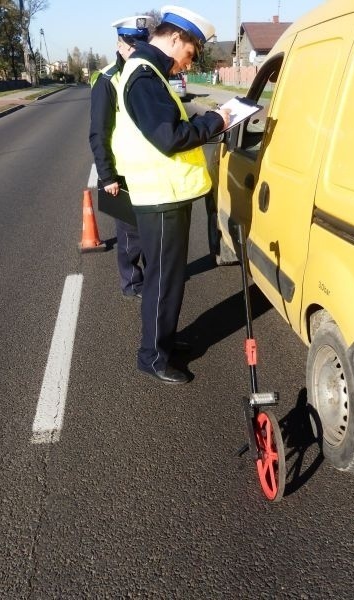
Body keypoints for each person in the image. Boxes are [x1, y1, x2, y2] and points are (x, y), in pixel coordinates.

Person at [111, 5, 231, 384]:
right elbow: (170, 137)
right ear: (175, 38)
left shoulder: (150, 73)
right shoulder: (145, 77)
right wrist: (217, 121)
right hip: (159, 196)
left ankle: (162, 341)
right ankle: (153, 357)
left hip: (165, 195)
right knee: (164, 281)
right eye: (189, 54)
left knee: (169, 280)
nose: (187, 63)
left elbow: (171, 125)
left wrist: (204, 119)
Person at [88, 15, 153, 300]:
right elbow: (98, 132)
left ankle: (152, 278)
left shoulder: (147, 72)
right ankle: (132, 283)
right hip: (122, 170)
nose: (136, 48)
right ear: (120, 44)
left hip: (150, 168)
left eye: (141, 43)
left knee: (150, 229)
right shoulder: (106, 80)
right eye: (131, 44)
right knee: (129, 234)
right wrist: (107, 176)